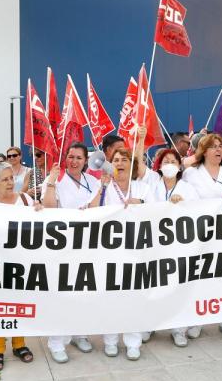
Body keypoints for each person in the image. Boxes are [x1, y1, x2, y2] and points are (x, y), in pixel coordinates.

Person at [183, 133, 222, 339]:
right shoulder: (192, 173)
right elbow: (186, 201)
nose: (218, 150)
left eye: (220, 146)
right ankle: (196, 320)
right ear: (204, 151)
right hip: (200, 235)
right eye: (213, 146)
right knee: (199, 277)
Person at [88, 147, 147, 359]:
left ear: (132, 165)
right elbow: (92, 209)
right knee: (110, 297)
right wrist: (101, 188)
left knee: (134, 298)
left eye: (124, 160)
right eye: (116, 160)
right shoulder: (102, 184)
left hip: (136, 250)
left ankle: (133, 342)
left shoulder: (142, 187)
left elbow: (158, 211)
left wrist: (141, 203)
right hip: (109, 251)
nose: (120, 163)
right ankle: (110, 340)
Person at [41, 142, 97, 363]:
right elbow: (48, 208)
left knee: (83, 292)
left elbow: (99, 209)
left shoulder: (92, 181)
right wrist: (52, 181)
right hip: (62, 246)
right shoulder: (54, 179)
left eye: (79, 158)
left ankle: (79, 333)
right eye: (71, 157)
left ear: (85, 161)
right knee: (61, 293)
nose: (74, 161)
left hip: (87, 245)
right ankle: (56, 341)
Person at [0, 161, 38, 371]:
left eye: (11, 178)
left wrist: (39, 212)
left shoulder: (25, 199)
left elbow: (40, 224)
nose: (10, 182)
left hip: (21, 262)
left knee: (19, 302)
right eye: (5, 179)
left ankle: (19, 344)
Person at [144, 148, 203, 345]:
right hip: (154, 244)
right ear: (159, 167)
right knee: (154, 286)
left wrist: (182, 204)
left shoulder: (188, 188)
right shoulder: (151, 186)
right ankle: (149, 324)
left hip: (180, 244)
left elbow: (198, 212)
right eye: (165, 161)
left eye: (173, 161)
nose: (169, 164)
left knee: (179, 287)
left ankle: (179, 329)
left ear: (179, 166)